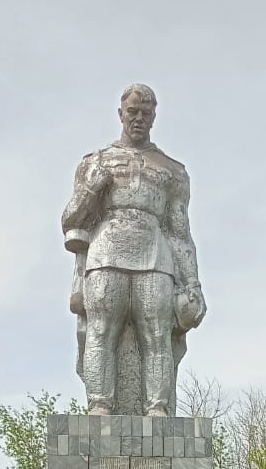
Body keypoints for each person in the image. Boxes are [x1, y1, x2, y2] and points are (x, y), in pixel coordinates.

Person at [62, 83, 206, 416]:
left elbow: (180, 233)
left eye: (145, 113)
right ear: (120, 114)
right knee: (101, 330)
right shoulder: (96, 162)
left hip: (155, 256)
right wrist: (91, 188)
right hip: (106, 253)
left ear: (154, 116)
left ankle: (157, 408)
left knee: (157, 334)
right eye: (132, 112)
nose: (138, 118)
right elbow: (69, 218)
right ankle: (100, 404)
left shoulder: (173, 171)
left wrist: (192, 283)